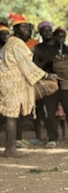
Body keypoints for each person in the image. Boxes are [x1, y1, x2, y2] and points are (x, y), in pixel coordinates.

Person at [0, 19, 51, 157]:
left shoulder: (10, 43)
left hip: (8, 83)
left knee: (12, 116)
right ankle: (10, 149)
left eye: (28, 28)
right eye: (23, 27)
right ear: (16, 29)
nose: (27, 30)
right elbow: (27, 66)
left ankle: (10, 147)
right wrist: (46, 75)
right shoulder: (16, 44)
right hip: (12, 84)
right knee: (11, 116)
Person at [32, 21, 68, 148]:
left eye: (49, 30)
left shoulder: (62, 46)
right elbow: (35, 67)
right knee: (49, 111)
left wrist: (65, 58)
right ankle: (52, 138)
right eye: (44, 31)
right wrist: (49, 61)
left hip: (64, 82)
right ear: (40, 33)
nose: (47, 32)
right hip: (48, 84)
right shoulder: (38, 49)